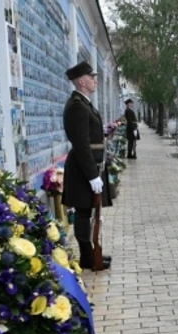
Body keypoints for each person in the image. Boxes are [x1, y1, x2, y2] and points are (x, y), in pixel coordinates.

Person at [62, 61, 111, 270]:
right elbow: (82, 144)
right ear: (81, 81)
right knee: (83, 213)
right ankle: (87, 256)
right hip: (83, 169)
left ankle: (90, 253)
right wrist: (92, 175)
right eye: (91, 77)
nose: (95, 80)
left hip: (91, 166)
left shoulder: (83, 103)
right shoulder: (76, 106)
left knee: (89, 212)